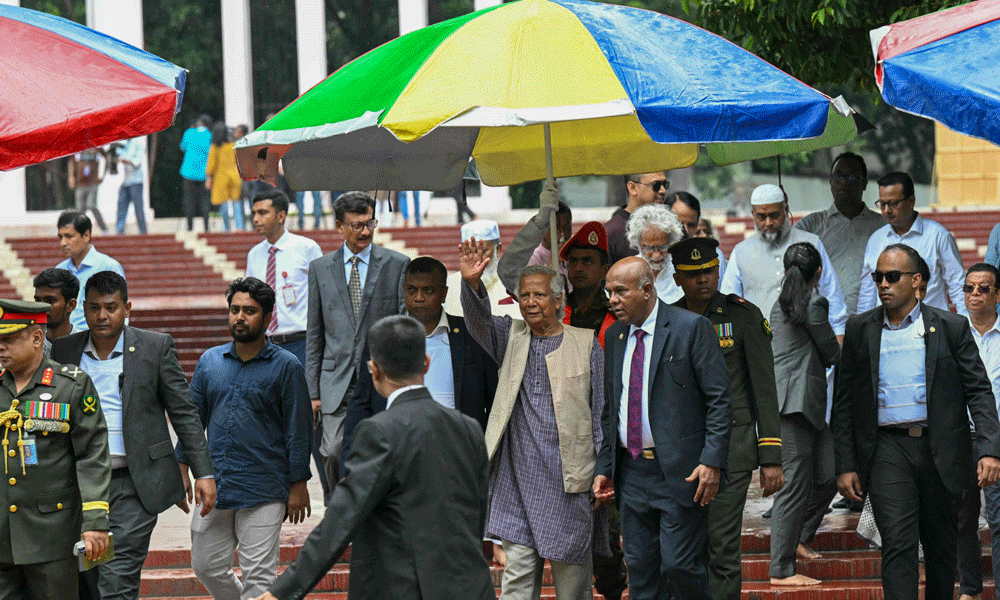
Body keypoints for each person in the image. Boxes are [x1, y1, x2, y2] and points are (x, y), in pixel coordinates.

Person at [256, 316, 495, 600]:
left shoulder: (378, 432)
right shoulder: (468, 428)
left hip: (406, 589)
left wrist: (280, 593)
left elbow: (342, 519)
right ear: (426, 363)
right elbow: (477, 513)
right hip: (471, 587)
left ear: (374, 370)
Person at [831, 243, 1000, 600]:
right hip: (887, 448)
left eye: (893, 277)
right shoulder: (861, 328)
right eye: (879, 277)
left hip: (941, 448)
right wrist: (845, 464)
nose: (883, 285)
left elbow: (979, 392)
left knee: (941, 547)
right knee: (898, 541)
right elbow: (844, 402)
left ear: (917, 281)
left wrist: (989, 450)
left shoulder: (951, 327)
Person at [51, 271, 216, 600]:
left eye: (111, 307)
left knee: (116, 577)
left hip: (135, 483)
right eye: (95, 308)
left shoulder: (154, 347)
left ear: (127, 308)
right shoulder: (64, 350)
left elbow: (183, 412)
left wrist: (204, 471)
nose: (102, 316)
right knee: (89, 576)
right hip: (79, 484)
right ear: (83, 309)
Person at [460, 244, 605, 600]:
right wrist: (472, 285)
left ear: (559, 300)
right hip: (515, 480)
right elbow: (478, 321)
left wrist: (603, 469)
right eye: (524, 295)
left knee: (573, 587)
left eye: (539, 294)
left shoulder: (586, 344)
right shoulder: (511, 336)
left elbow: (600, 413)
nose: (530, 302)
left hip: (569, 482)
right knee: (516, 583)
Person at [593, 256, 732, 600]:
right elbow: (611, 409)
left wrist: (712, 461)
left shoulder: (690, 328)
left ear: (647, 290)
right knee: (640, 571)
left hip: (681, 473)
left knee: (680, 566)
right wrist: (604, 468)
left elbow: (720, 400)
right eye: (608, 291)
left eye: (620, 291)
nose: (612, 299)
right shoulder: (614, 336)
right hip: (632, 473)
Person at [180, 277, 313, 600]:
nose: (240, 317)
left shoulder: (286, 366)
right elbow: (192, 420)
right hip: (215, 485)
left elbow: (299, 427)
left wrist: (298, 483)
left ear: (267, 318)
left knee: (259, 577)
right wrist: (182, 466)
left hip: (264, 487)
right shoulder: (210, 362)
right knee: (206, 565)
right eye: (235, 309)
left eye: (250, 311)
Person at [668, 237, 783, 600]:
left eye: (710, 270)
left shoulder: (743, 315)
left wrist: (771, 457)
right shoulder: (668, 319)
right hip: (682, 454)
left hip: (733, 450)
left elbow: (764, 388)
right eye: (693, 273)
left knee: (721, 547)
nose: (704, 279)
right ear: (677, 278)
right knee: (685, 550)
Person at [0, 299, 111, 600]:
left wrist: (96, 523)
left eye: (8, 339)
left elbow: (92, 456)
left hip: (51, 536)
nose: (1, 347)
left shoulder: (70, 386)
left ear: (37, 338)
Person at [341, 256, 497, 463]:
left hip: (457, 456)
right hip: (395, 456)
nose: (419, 298)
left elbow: (494, 401)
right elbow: (360, 404)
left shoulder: (472, 336)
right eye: (411, 290)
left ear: (443, 294)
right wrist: (348, 465)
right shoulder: (382, 337)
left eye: (428, 291)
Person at [306, 191, 409, 488]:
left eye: (369, 223)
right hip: (335, 380)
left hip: (382, 377)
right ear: (339, 226)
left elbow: (404, 325)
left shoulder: (396, 264)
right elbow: (315, 334)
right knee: (334, 451)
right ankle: (342, 508)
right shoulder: (320, 269)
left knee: (383, 452)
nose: (365, 231)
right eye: (356, 225)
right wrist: (313, 391)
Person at [766, 242, 841, 587]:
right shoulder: (813, 303)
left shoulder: (779, 305)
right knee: (793, 487)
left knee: (829, 473)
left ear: (784, 271)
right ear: (819, 273)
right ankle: (781, 569)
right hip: (794, 404)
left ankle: (798, 536)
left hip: (805, 406)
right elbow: (830, 353)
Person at [246, 188, 328, 500]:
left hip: (303, 344)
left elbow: (323, 298)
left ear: (281, 215)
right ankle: (274, 497)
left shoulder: (307, 249)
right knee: (271, 423)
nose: (256, 219)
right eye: (254, 213)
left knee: (314, 423)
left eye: (263, 213)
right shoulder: (255, 255)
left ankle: (334, 501)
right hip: (267, 349)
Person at [721, 183, 847, 337]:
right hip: (760, 345)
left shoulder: (811, 243)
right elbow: (729, 304)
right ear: (753, 214)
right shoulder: (740, 252)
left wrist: (839, 336)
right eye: (761, 217)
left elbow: (831, 295)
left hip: (807, 344)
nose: (768, 222)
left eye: (774, 215)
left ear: (786, 210)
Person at [857, 172, 967, 315]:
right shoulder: (876, 240)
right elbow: (867, 292)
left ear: (911, 202)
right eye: (882, 204)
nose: (886, 210)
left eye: (893, 204)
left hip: (932, 329)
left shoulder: (938, 236)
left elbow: (958, 285)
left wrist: (967, 326)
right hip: (888, 331)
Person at [955, 264, 1000, 600]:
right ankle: (970, 591)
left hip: (998, 442)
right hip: (962, 439)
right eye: (969, 288)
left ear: (998, 295)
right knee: (963, 522)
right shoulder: (951, 333)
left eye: (983, 288)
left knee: (999, 522)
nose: (975, 295)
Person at [794, 152, 883, 316]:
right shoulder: (810, 227)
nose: (843, 182)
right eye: (838, 176)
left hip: (873, 320)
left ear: (863, 183)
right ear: (830, 182)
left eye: (851, 177)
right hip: (826, 324)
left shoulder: (883, 227)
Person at [497, 181, 572, 296]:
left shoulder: (576, 256)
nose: (561, 233)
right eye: (556, 227)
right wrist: (551, 266)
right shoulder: (532, 259)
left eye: (566, 226)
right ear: (544, 228)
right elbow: (507, 273)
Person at [55, 211, 125, 332]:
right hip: (65, 342)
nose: (63, 243)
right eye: (60, 237)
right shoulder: (59, 271)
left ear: (86, 236)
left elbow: (120, 314)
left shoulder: (108, 267)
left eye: (69, 236)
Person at [446, 219, 521, 318]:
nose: (477, 258)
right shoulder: (451, 283)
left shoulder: (517, 282)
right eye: (471, 251)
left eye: (484, 251)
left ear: (498, 249)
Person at [626, 204, 685, 303]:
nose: (656, 255)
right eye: (649, 248)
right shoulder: (627, 271)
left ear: (671, 242)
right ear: (639, 244)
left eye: (663, 247)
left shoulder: (683, 270)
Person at [605, 172, 669, 264]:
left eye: (665, 184)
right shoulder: (611, 233)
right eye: (656, 185)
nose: (663, 190)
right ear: (632, 188)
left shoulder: (671, 228)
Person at [665, 191, 727, 278]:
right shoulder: (654, 254)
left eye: (691, 225)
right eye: (678, 224)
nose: (685, 230)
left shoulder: (714, 256)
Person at [206, 122, 244, 232]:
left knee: (224, 204)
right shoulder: (233, 145)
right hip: (235, 175)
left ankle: (226, 227)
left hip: (221, 177)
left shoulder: (215, 146)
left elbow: (211, 165)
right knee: (236, 202)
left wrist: (209, 177)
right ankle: (239, 226)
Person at [180, 114, 213, 231]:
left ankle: (190, 227)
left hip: (188, 172)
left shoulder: (189, 133)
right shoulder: (210, 135)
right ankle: (206, 227)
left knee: (189, 200)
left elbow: (182, 148)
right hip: (204, 174)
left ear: (199, 123)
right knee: (205, 201)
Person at [33, 268, 79, 344]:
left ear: (71, 305)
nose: (41, 306)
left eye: (50, 301)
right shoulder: (29, 346)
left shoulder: (87, 346)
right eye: (38, 300)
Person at [68, 147, 109, 234]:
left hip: (93, 183)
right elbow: (71, 161)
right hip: (80, 183)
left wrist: (103, 175)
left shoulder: (97, 147)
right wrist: (71, 176)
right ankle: (79, 231)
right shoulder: (78, 147)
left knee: (92, 205)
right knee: (80, 209)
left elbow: (106, 158)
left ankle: (104, 228)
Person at [115, 137, 148, 235]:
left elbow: (137, 163)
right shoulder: (125, 145)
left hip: (136, 181)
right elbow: (119, 154)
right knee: (121, 204)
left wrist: (127, 161)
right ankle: (120, 229)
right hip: (126, 181)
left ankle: (143, 231)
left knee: (138, 207)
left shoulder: (138, 145)